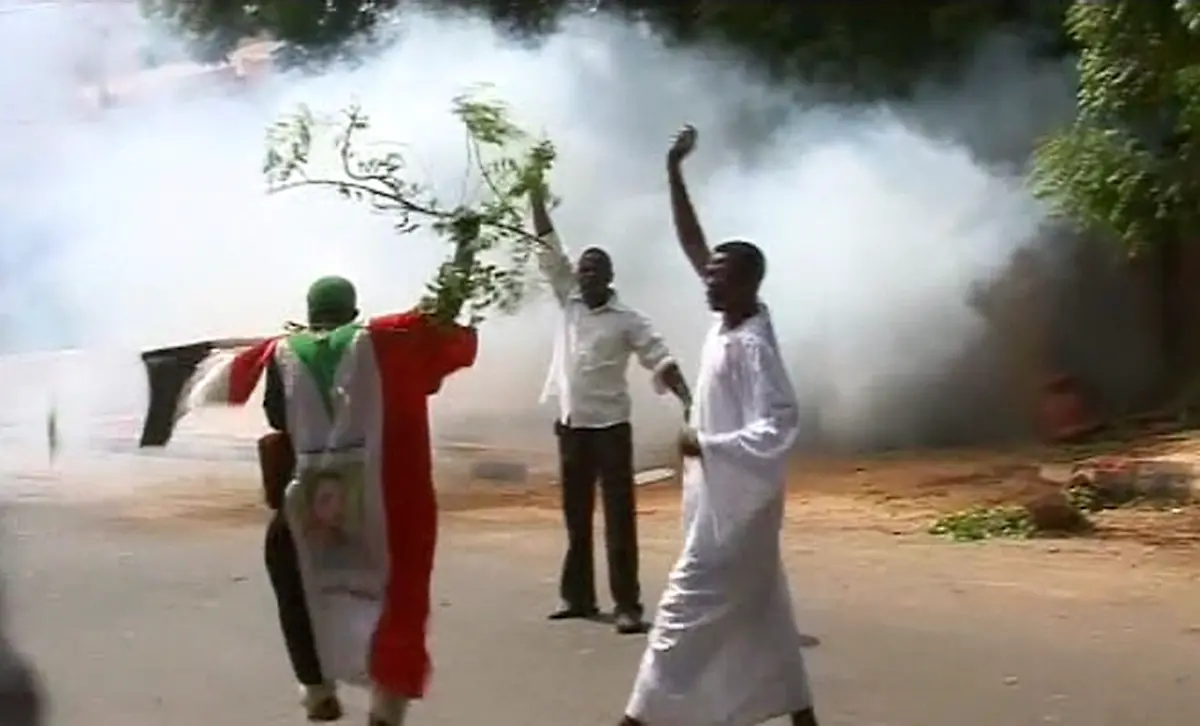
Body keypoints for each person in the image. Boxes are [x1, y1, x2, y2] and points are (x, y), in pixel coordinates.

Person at [619, 125, 819, 726]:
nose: (707, 278)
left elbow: (779, 425)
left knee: (680, 615)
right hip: (722, 502)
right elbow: (692, 241)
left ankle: (633, 720)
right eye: (708, 273)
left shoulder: (753, 342)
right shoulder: (729, 319)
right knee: (765, 618)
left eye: (719, 274)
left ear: (748, 282)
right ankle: (802, 716)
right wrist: (674, 172)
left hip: (736, 512)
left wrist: (704, 443)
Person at [258, 271, 478, 726]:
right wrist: (464, 254)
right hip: (385, 499)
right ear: (354, 312)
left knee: (288, 564)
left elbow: (276, 415)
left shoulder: (283, 354)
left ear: (309, 315)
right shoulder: (389, 341)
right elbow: (439, 326)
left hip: (312, 499)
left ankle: (316, 688)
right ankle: (386, 707)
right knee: (396, 596)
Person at [529, 182, 692, 635]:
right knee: (575, 516)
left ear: (608, 277)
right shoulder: (570, 303)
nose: (584, 276)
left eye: (593, 271)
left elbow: (659, 358)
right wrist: (535, 196)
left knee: (619, 519)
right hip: (572, 426)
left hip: (611, 429)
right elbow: (548, 250)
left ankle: (628, 606)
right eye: (582, 270)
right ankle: (578, 596)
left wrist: (689, 402)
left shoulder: (627, 319)